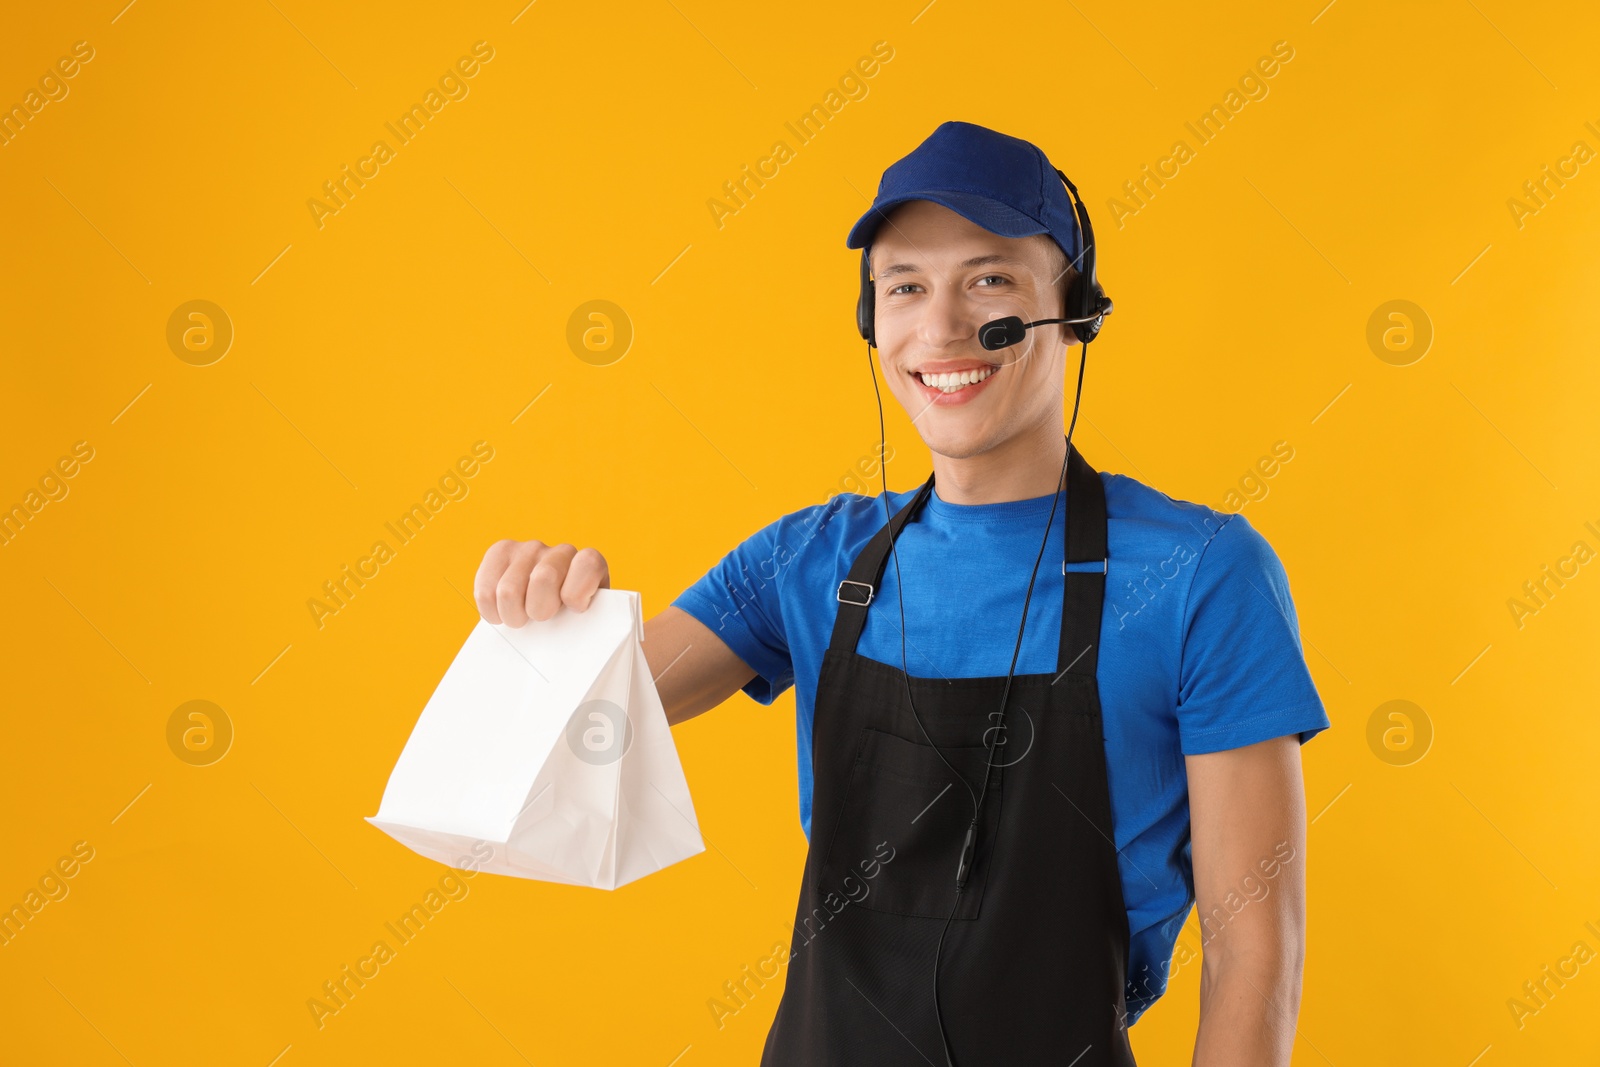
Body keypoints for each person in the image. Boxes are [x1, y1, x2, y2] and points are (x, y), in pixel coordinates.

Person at [474, 121, 1330, 1066]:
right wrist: (539, 624)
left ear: (1075, 306)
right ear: (869, 320)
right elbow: (579, 733)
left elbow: (1256, 951)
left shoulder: (1201, 575)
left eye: (990, 278)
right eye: (905, 287)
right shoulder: (807, 559)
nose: (941, 327)